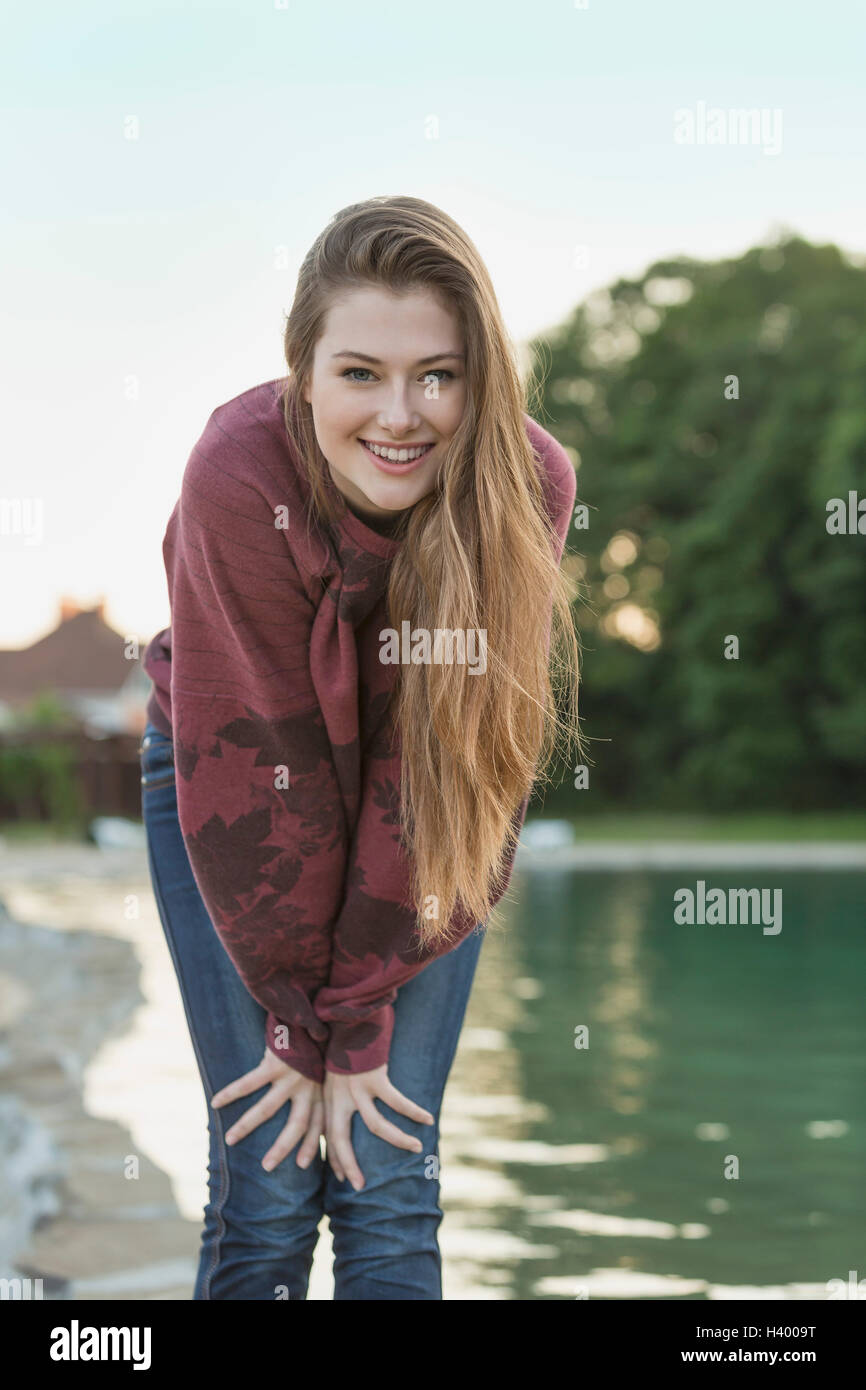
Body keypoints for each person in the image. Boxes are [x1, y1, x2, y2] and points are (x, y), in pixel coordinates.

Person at [139, 194, 581, 1300]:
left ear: (479, 375)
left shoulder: (524, 486)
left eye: (438, 373)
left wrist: (361, 1021)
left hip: (432, 812)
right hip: (229, 778)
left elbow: (443, 770)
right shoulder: (238, 474)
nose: (402, 414)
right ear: (301, 370)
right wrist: (299, 1024)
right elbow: (268, 774)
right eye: (359, 374)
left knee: (386, 1177)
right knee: (271, 1174)